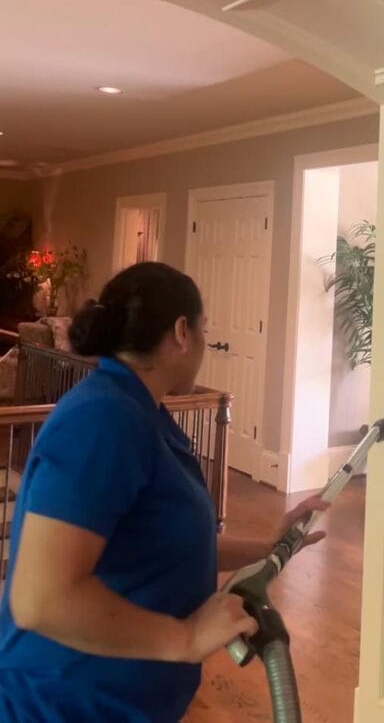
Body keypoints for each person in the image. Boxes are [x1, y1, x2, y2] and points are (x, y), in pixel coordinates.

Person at [0, 262, 327, 722]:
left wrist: (270, 545)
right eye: (205, 331)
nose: (206, 346)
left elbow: (162, 547)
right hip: (62, 703)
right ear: (181, 332)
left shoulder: (142, 413)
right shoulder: (102, 419)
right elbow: (42, 600)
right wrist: (186, 638)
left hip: (125, 702)